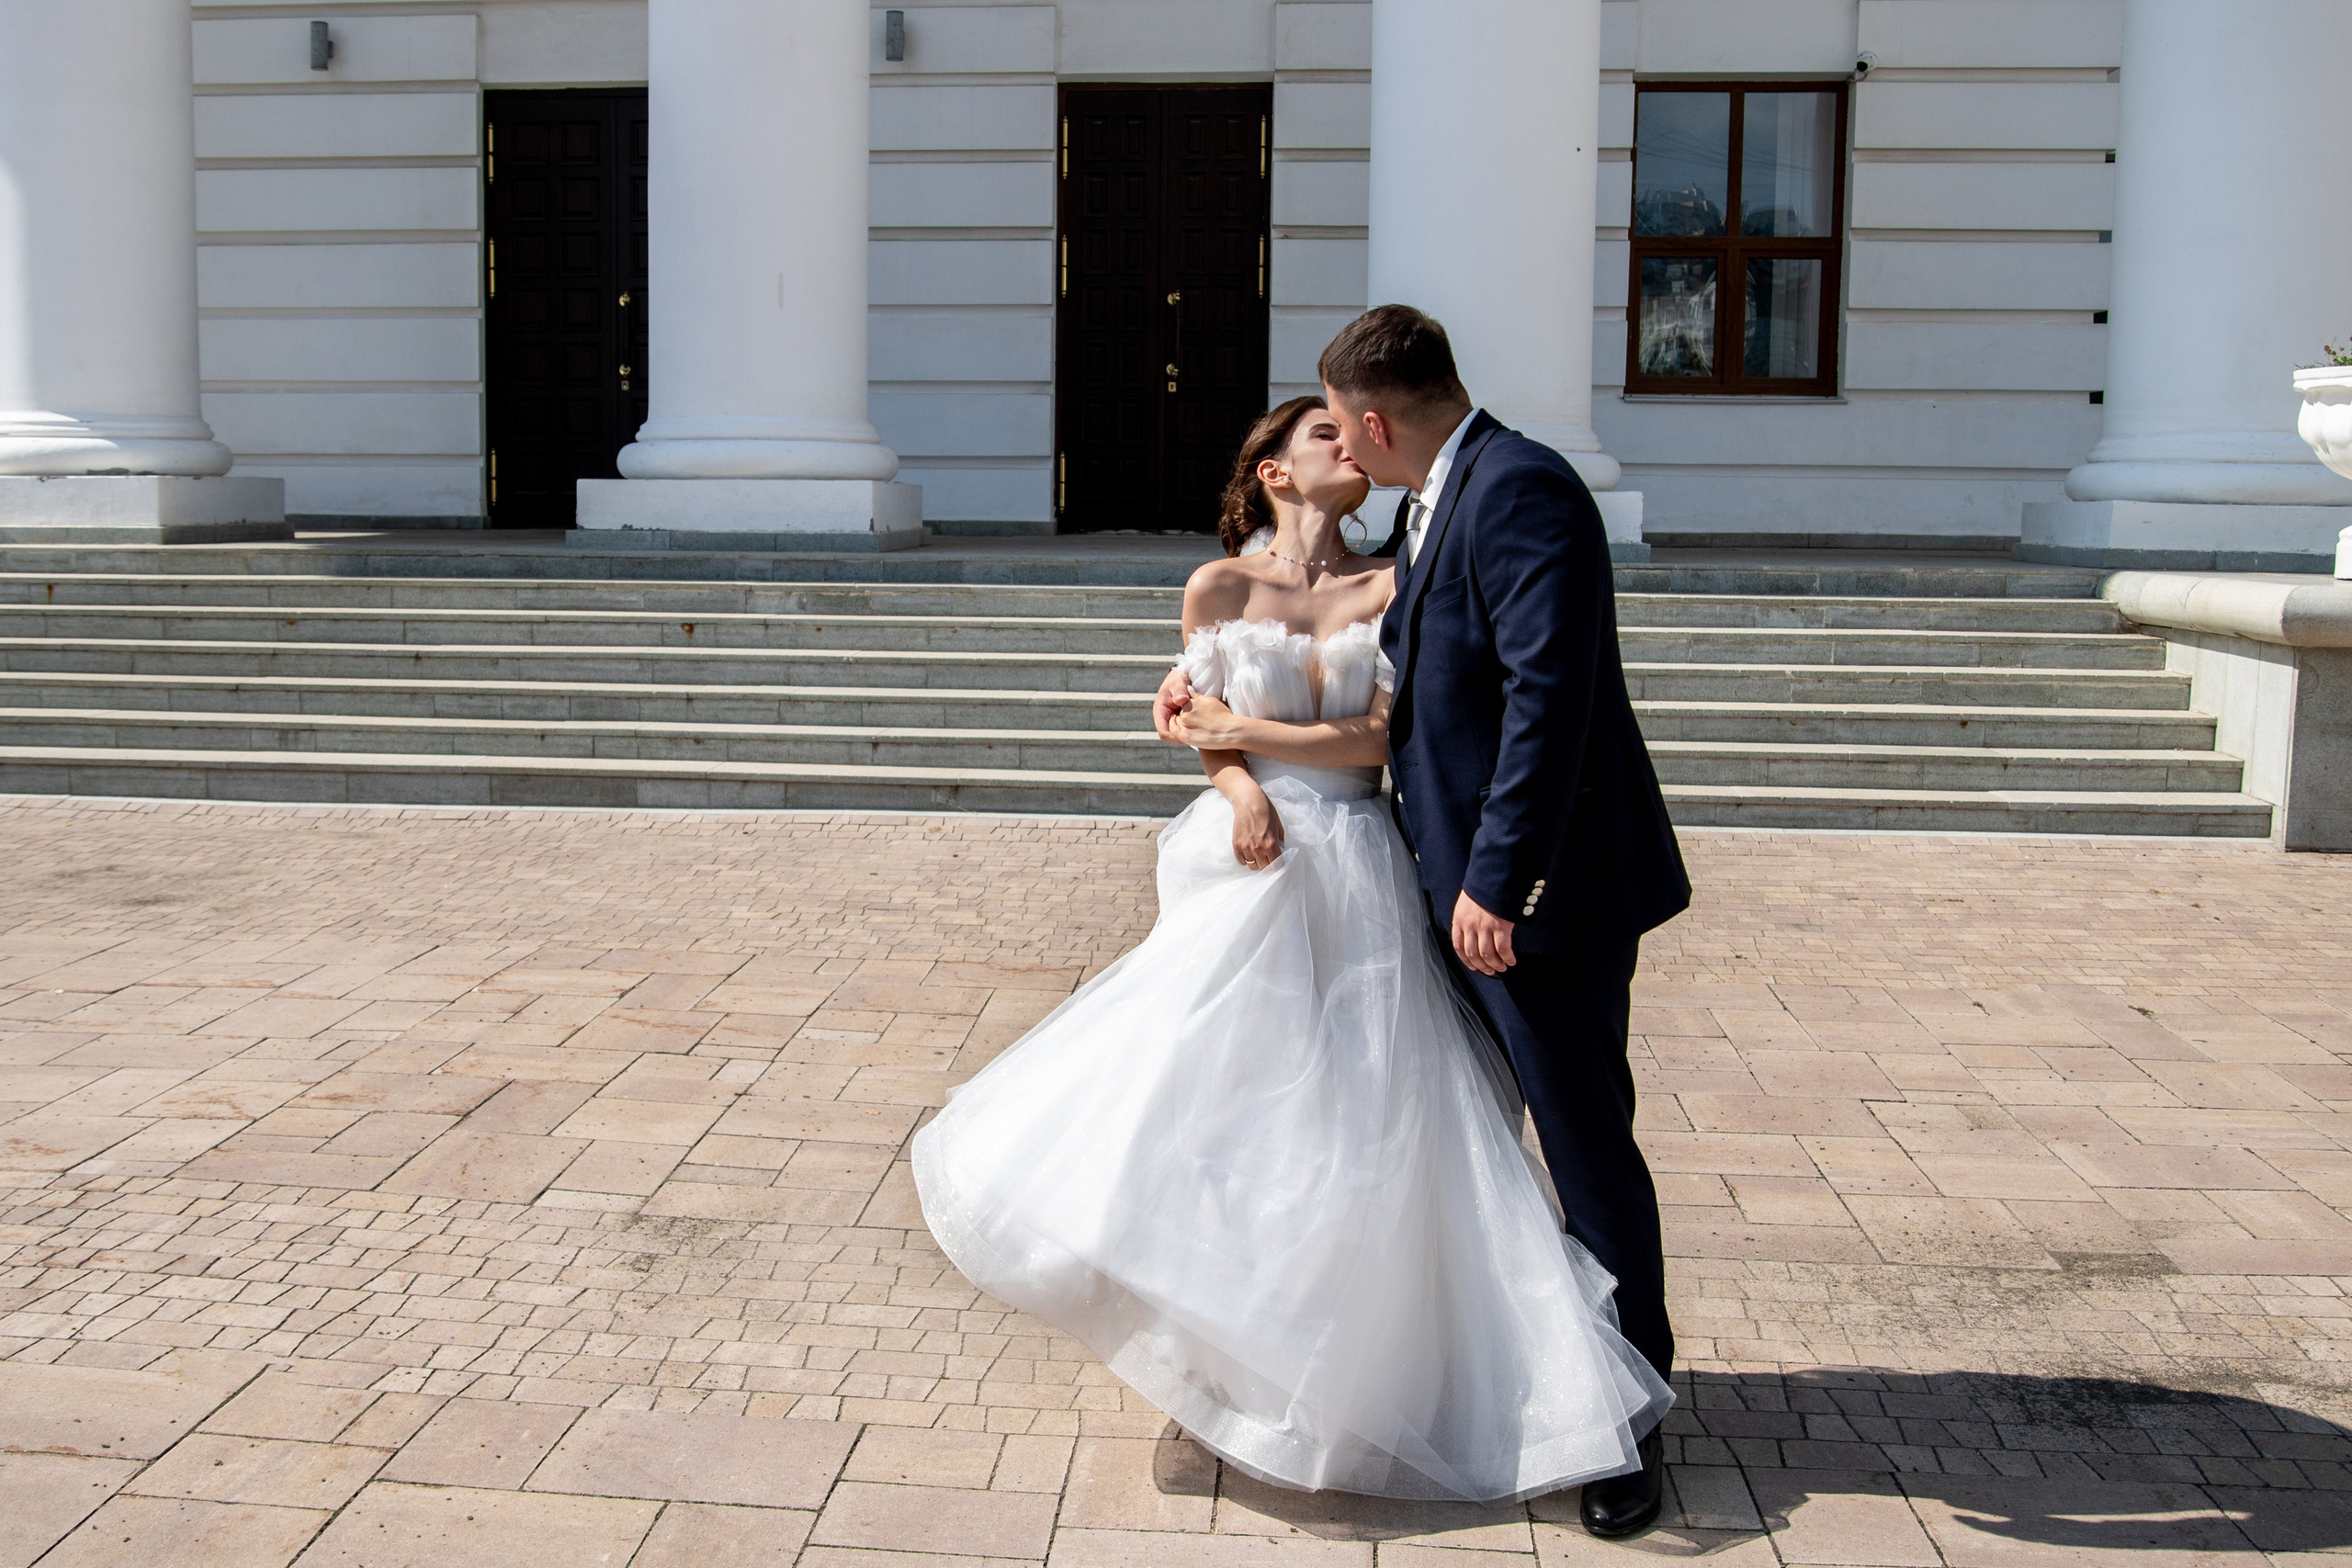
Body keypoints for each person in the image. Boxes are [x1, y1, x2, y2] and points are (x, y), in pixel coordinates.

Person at [912, 396, 1671, 1506]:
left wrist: (1242, 739)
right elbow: (1194, 721)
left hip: (1365, 857)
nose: (1348, 447)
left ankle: (1395, 1371)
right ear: (1270, 471)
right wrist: (1233, 784)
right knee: (1237, 1112)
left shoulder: (1392, 579)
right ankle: (1229, 1361)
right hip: (1252, 865)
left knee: (1365, 1120)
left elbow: (1381, 734)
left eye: (1348, 427)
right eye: (1321, 436)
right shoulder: (1217, 586)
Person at [1156, 305, 1691, 1536]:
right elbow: (1404, 661)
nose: (1340, 444)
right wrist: (1199, 679)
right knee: (1442, 1141)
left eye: (1343, 423)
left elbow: (1550, 700)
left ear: (1378, 422)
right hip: (1423, 880)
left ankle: (1628, 1414)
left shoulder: (1522, 491)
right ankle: (1493, 1374)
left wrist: (1501, 882)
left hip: (1527, 893)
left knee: (1578, 1137)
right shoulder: (1428, 501)